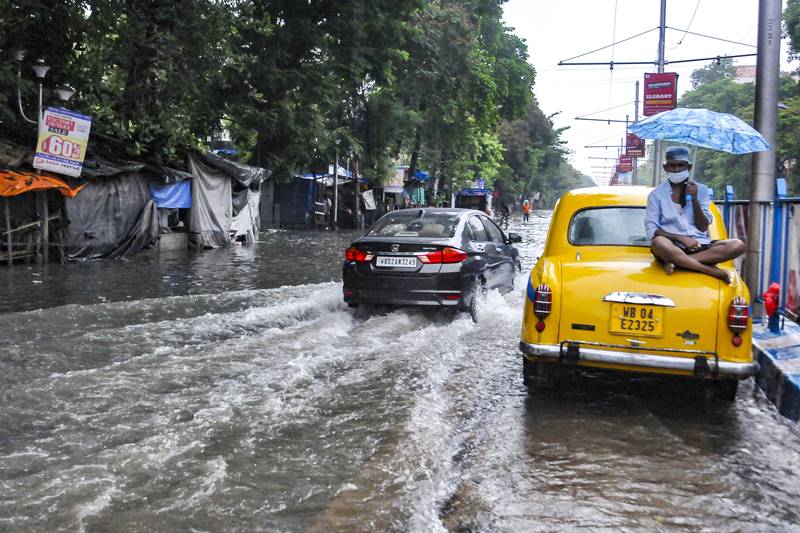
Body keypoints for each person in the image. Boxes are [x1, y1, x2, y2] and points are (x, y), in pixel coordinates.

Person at [645, 146, 745, 284]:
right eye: (672, 166)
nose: (676, 169)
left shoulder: (701, 190)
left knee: (737, 245)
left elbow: (703, 226)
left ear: (688, 167)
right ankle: (711, 271)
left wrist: (694, 199)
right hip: (671, 247)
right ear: (665, 168)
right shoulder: (656, 195)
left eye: (681, 165)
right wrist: (681, 238)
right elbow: (652, 230)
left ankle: (678, 263)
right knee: (658, 242)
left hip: (700, 246)